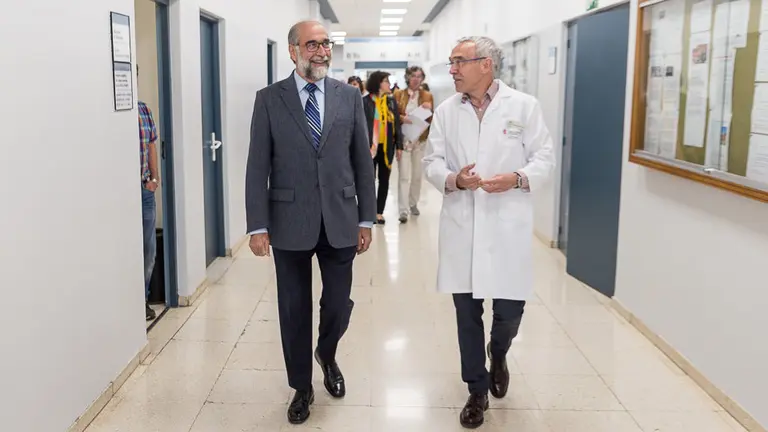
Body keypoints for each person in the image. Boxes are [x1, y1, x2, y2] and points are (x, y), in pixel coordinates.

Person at [245, 20, 376, 425]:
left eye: (326, 44)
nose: (321, 51)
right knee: (294, 308)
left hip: (340, 218)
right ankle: (302, 387)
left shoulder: (349, 97)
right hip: (288, 221)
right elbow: (257, 165)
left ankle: (328, 352)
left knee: (337, 303)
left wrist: (366, 218)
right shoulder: (269, 99)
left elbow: (361, 160)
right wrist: (257, 225)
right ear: (292, 50)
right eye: (312, 44)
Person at [422, 36, 555, 429]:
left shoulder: (524, 107)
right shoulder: (447, 110)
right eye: (451, 62)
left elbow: (544, 156)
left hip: (507, 222)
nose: (452, 70)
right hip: (463, 222)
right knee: (466, 314)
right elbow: (432, 160)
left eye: (459, 62)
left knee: (510, 311)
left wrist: (517, 178)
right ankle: (476, 388)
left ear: (486, 64)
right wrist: (454, 179)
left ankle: (498, 352)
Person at [394, 66, 433, 223]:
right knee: (404, 176)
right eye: (413, 76)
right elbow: (393, 115)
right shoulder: (398, 94)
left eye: (419, 76)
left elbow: (430, 119)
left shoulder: (427, 95)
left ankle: (413, 203)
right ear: (408, 78)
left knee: (417, 175)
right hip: (403, 141)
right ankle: (403, 210)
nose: (416, 79)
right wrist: (403, 118)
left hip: (419, 141)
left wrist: (427, 110)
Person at [363, 71, 403, 224]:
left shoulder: (390, 102)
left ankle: (379, 212)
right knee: (369, 181)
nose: (389, 84)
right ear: (378, 84)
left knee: (384, 180)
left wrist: (399, 145)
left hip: (387, 148)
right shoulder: (365, 102)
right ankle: (369, 211)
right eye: (386, 81)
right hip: (369, 148)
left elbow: (397, 125)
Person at [138, 99, 160, 321]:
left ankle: (142, 300)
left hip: (144, 191)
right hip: (122, 194)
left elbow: (151, 144)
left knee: (148, 250)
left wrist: (154, 178)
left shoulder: (144, 110)